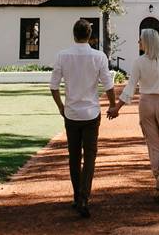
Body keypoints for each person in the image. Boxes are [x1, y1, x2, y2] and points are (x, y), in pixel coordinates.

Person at [50, 19, 117, 218]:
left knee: (73, 156)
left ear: (74, 34)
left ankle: (76, 196)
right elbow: (108, 85)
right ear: (89, 36)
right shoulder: (99, 57)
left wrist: (61, 107)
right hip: (91, 113)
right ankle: (84, 197)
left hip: (71, 113)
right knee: (89, 156)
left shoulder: (62, 56)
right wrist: (113, 105)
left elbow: (53, 87)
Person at [107, 28, 159, 204]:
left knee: (153, 145)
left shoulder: (138, 62)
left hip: (146, 104)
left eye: (140, 39)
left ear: (147, 42)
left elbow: (130, 87)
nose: (138, 42)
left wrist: (117, 108)